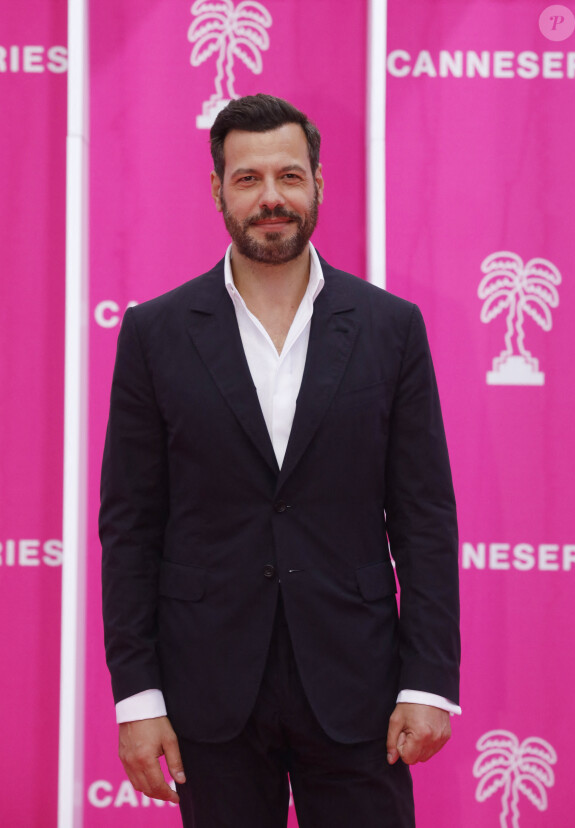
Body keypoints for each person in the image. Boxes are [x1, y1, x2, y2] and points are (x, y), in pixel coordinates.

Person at [100, 93, 460, 828]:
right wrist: (138, 698)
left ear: (319, 184)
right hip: (208, 686)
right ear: (217, 189)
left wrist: (428, 682)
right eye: (248, 179)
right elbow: (131, 526)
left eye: (290, 177)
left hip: (358, 683)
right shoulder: (154, 333)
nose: (272, 198)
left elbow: (424, 517)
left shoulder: (391, 328)